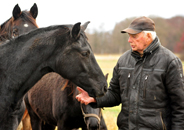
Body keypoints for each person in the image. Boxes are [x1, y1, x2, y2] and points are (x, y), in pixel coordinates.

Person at [76, 16, 184, 130]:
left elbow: (180, 107)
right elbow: (114, 94)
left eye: (134, 36)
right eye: (129, 36)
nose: (129, 40)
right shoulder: (123, 61)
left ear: (148, 36)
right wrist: (94, 99)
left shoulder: (170, 62)